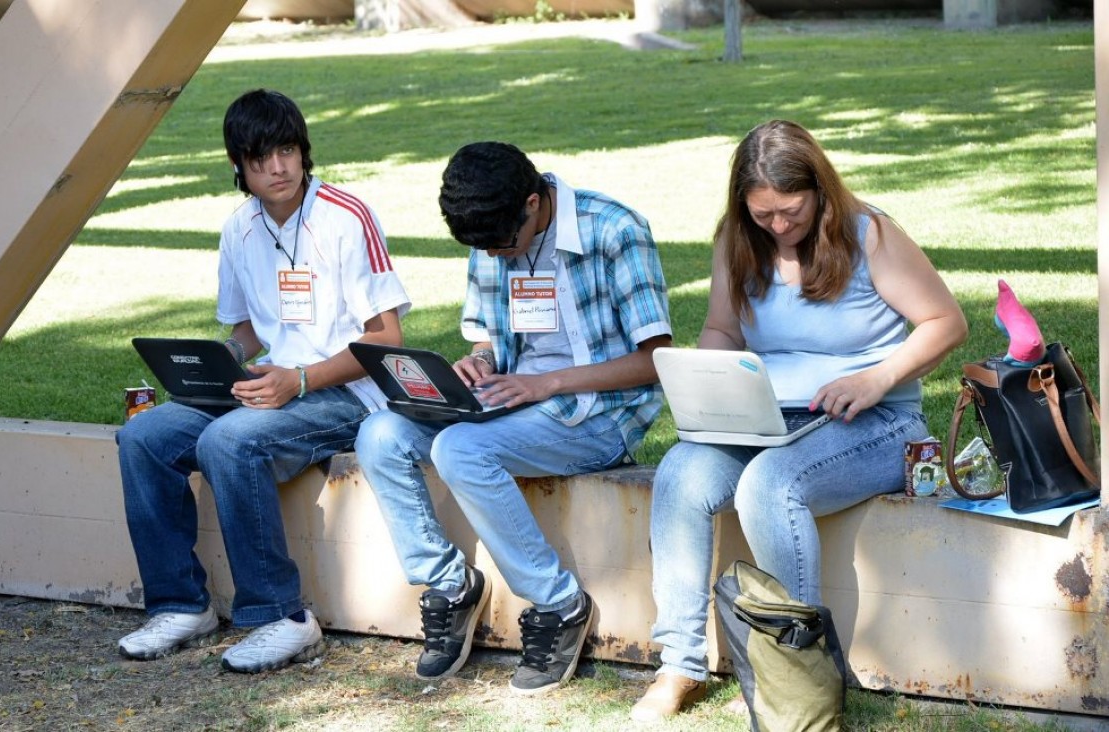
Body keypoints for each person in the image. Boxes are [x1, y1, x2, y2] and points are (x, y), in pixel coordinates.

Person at [630, 120, 968, 721]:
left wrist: (876, 379)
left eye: (791, 211)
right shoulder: (738, 241)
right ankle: (679, 665)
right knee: (681, 472)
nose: (779, 226)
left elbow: (946, 322)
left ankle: (796, 673)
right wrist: (708, 379)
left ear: (819, 190)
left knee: (770, 483)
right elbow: (723, 330)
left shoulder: (870, 234)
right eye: (764, 216)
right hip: (765, 413)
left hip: (877, 418)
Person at [355, 141, 673, 695]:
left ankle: (559, 603)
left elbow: (654, 362)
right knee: (380, 432)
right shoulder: (492, 230)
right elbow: (487, 336)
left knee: (459, 449)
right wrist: (477, 364)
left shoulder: (614, 230)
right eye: (486, 249)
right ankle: (449, 586)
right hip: (515, 400)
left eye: (505, 246)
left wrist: (546, 382)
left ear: (533, 202)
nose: (498, 257)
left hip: (601, 414)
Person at [115, 89, 410, 673]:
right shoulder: (239, 229)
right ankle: (180, 605)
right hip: (270, 381)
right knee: (144, 436)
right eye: (260, 158)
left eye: (287, 151)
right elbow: (248, 330)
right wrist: (217, 362)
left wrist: (298, 379)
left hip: (348, 392)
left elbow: (387, 341)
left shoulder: (346, 217)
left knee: (229, 440)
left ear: (304, 153)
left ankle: (282, 618)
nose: (277, 168)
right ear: (238, 167)